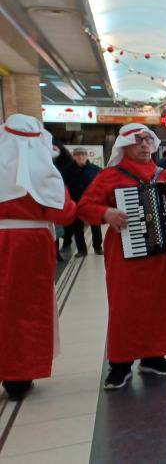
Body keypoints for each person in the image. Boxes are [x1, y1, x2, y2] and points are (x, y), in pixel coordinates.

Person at [77, 123, 166, 390]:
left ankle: (154, 356)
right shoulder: (110, 176)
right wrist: (106, 214)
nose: (144, 145)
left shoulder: (163, 174)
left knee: (161, 305)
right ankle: (120, 363)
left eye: (147, 141)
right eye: (138, 141)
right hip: (124, 255)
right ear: (124, 146)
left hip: (163, 256)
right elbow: (84, 207)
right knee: (125, 307)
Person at [0, 114, 77, 401]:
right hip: (29, 245)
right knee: (25, 308)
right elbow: (65, 212)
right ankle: (17, 378)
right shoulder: (41, 172)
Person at [62, 147, 104, 257]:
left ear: (87, 155)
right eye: (78, 155)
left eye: (83, 154)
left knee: (95, 226)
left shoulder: (96, 170)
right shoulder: (67, 171)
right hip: (75, 203)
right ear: (73, 156)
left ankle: (97, 247)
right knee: (77, 228)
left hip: (92, 203)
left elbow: (101, 187)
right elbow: (63, 187)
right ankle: (82, 250)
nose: (81, 157)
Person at [53, 140, 75, 259]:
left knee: (59, 225)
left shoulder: (66, 165)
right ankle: (58, 248)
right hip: (60, 196)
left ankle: (65, 243)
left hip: (63, 194)